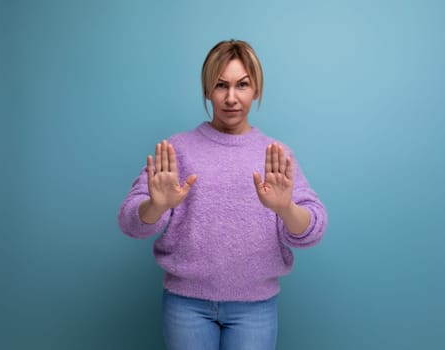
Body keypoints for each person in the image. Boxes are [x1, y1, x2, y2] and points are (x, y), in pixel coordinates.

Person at [118, 39, 327, 350]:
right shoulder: (177, 149)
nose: (231, 98)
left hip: (255, 307)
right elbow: (131, 221)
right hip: (186, 305)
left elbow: (312, 229)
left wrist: (285, 209)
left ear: (255, 89)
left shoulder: (275, 154)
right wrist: (154, 206)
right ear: (207, 90)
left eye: (242, 85)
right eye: (220, 86)